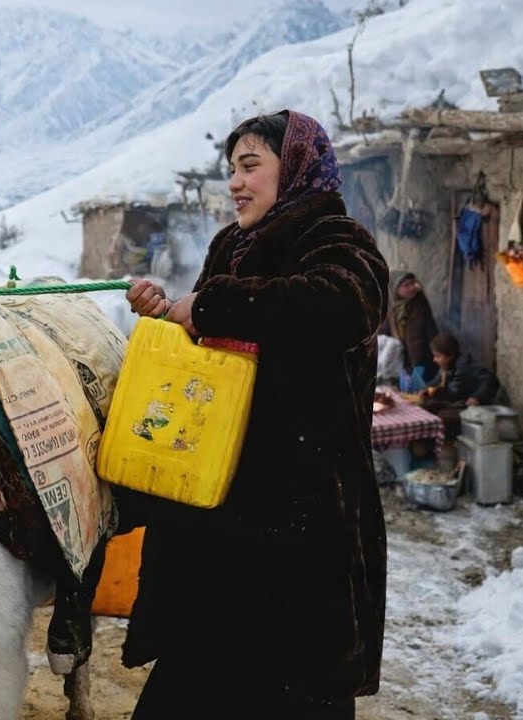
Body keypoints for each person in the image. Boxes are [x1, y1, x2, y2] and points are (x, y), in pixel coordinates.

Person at [121, 110, 389, 718]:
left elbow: (342, 306)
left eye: (250, 166)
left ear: (294, 169)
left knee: (287, 690)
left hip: (298, 521)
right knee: (196, 683)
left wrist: (212, 307)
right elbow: (216, 354)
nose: (236, 183)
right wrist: (170, 315)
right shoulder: (231, 246)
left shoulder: (338, 243)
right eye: (231, 170)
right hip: (220, 515)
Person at [421, 332, 502, 439]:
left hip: (469, 407)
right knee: (426, 406)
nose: (434, 360)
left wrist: (477, 397)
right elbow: (435, 382)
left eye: (437, 356)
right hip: (455, 402)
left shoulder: (465, 367)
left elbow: (491, 380)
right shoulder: (446, 368)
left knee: (440, 415)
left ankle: (447, 442)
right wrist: (426, 390)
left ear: (450, 356)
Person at [385, 271, 439, 381]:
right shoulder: (393, 309)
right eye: (406, 285)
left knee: (419, 392)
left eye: (413, 283)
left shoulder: (419, 305)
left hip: (421, 360)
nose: (412, 288)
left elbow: (432, 333)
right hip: (402, 362)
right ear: (396, 289)